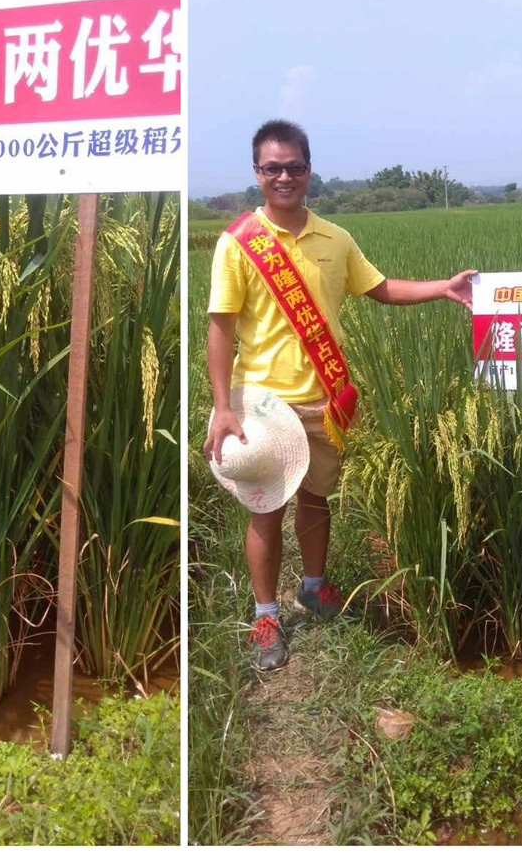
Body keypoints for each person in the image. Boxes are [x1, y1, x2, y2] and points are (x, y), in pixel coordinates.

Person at [203, 119, 476, 670]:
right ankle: (265, 616)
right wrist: (223, 407)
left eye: (294, 167)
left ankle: (313, 586)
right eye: (273, 168)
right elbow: (220, 328)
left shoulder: (336, 238)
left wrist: (443, 288)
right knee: (265, 511)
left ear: (309, 170)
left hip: (324, 399)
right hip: (263, 407)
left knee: (316, 498)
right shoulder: (237, 244)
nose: (284, 177)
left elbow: (381, 288)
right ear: (257, 172)